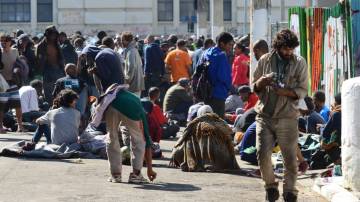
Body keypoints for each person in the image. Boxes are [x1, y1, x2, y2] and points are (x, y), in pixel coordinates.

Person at [252, 29, 308, 202]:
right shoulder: (264, 60)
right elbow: (255, 87)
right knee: (262, 155)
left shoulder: (299, 62)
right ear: (278, 47)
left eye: (291, 49)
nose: (288, 52)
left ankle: (290, 191)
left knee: (290, 158)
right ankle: (270, 186)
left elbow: (303, 90)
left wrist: (287, 92)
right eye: (285, 49)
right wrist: (262, 81)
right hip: (265, 116)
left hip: (288, 116)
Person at [103, 87, 157, 183]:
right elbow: (147, 143)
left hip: (110, 103)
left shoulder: (134, 97)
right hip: (127, 106)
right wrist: (150, 169)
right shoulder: (140, 110)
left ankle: (116, 175)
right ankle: (136, 175)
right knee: (139, 140)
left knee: (111, 137)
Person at [202, 32, 233, 119]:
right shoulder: (221, 56)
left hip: (206, 92)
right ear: (222, 44)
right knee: (218, 123)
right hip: (218, 93)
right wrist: (229, 87)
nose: (231, 47)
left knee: (207, 120)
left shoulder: (206, 52)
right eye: (229, 45)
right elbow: (223, 76)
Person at [35, 25, 65, 104]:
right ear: (47, 35)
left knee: (61, 94)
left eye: (55, 35)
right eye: (52, 34)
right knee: (49, 97)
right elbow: (39, 63)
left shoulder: (57, 44)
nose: (54, 37)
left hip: (59, 71)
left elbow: (61, 58)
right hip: (47, 74)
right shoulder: (41, 46)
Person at [0, 34, 23, 133]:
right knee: (1, 106)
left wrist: (18, 69)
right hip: (2, 83)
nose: (3, 43)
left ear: (10, 42)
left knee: (17, 104)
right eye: (1, 41)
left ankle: (20, 126)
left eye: (5, 41)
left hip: (13, 82)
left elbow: (19, 63)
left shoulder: (15, 51)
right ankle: (0, 126)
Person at [121, 32, 145, 96]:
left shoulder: (131, 51)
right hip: (136, 84)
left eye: (123, 40)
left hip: (133, 85)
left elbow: (131, 67)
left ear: (127, 40)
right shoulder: (133, 50)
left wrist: (126, 81)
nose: (121, 42)